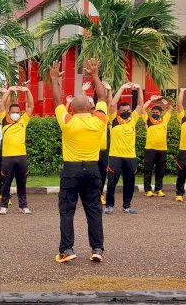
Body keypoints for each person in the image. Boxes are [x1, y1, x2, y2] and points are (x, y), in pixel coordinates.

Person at [50, 59, 107, 263]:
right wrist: (94, 75)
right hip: (92, 169)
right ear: (90, 107)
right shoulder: (99, 120)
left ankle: (67, 249)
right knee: (94, 209)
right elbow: (102, 95)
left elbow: (57, 102)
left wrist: (55, 79)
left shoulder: (68, 122)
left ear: (72, 109)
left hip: (71, 170)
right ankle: (97, 249)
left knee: (67, 210)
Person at [105, 82, 143, 215]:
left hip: (131, 157)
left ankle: (126, 206)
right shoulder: (113, 120)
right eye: (123, 111)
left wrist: (138, 88)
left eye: (128, 110)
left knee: (129, 184)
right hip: (115, 157)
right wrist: (122, 88)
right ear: (119, 112)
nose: (126, 112)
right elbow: (112, 104)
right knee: (111, 183)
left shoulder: (133, 119)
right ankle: (109, 205)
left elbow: (139, 105)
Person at [0, 85, 34, 215]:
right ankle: (4, 205)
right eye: (13, 112)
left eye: (17, 112)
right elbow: (2, 105)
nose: (15, 114)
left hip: (21, 157)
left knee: (22, 182)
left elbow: (30, 106)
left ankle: (23, 205)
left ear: (20, 113)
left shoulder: (23, 120)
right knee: (6, 183)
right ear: (9, 112)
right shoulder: (4, 120)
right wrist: (9, 91)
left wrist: (28, 91)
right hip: (7, 157)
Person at [142, 95, 172, 197]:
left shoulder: (165, 120)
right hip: (149, 149)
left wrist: (162, 100)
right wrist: (151, 100)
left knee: (160, 171)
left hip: (162, 149)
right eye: (153, 112)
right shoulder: (148, 120)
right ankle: (148, 190)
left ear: (161, 113)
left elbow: (170, 108)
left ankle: (158, 189)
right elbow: (142, 109)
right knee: (148, 170)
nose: (155, 114)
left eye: (157, 113)